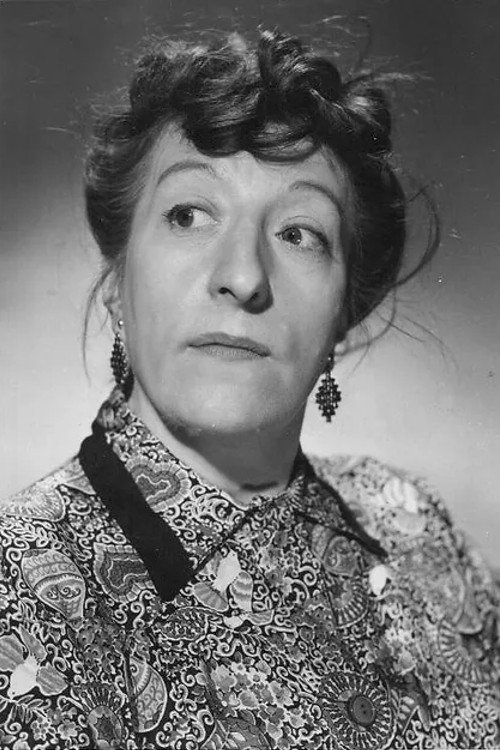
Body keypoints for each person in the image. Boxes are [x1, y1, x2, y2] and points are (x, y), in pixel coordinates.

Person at [0, 27, 497, 750]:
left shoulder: (414, 529)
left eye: (299, 233)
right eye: (188, 215)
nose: (243, 276)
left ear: (343, 317)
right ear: (116, 281)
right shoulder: (23, 584)